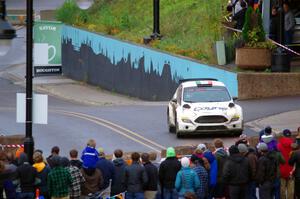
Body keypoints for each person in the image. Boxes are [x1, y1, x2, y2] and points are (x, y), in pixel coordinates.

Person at [277, 129, 295, 199]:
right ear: (290, 136)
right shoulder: (294, 146)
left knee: (282, 189)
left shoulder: (278, 145)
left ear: (283, 135)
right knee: (291, 190)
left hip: (281, 170)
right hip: (291, 170)